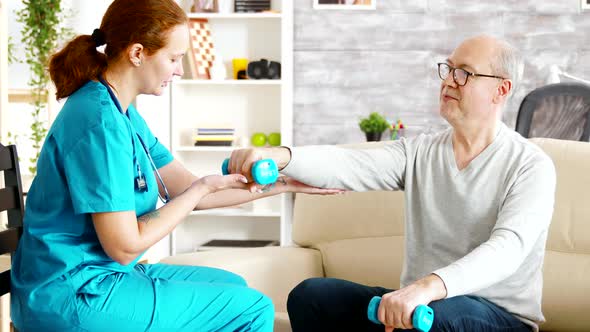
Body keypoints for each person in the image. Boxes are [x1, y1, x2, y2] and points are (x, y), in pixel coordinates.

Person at [10, 0, 341, 330]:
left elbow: (188, 189)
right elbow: (125, 246)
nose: (180, 70)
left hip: (98, 275)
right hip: (72, 294)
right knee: (251, 309)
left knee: (234, 285)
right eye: (173, 58)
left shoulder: (121, 111)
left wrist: (285, 182)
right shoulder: (99, 123)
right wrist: (200, 190)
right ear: (137, 53)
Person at [228, 35, 556, 332]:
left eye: (464, 73)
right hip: (420, 307)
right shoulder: (420, 152)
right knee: (311, 296)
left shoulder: (530, 165)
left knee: (444, 316)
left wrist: (427, 287)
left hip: (497, 317)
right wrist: (280, 155)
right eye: (449, 69)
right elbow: (349, 163)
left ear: (502, 89)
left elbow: (506, 250)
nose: (449, 81)